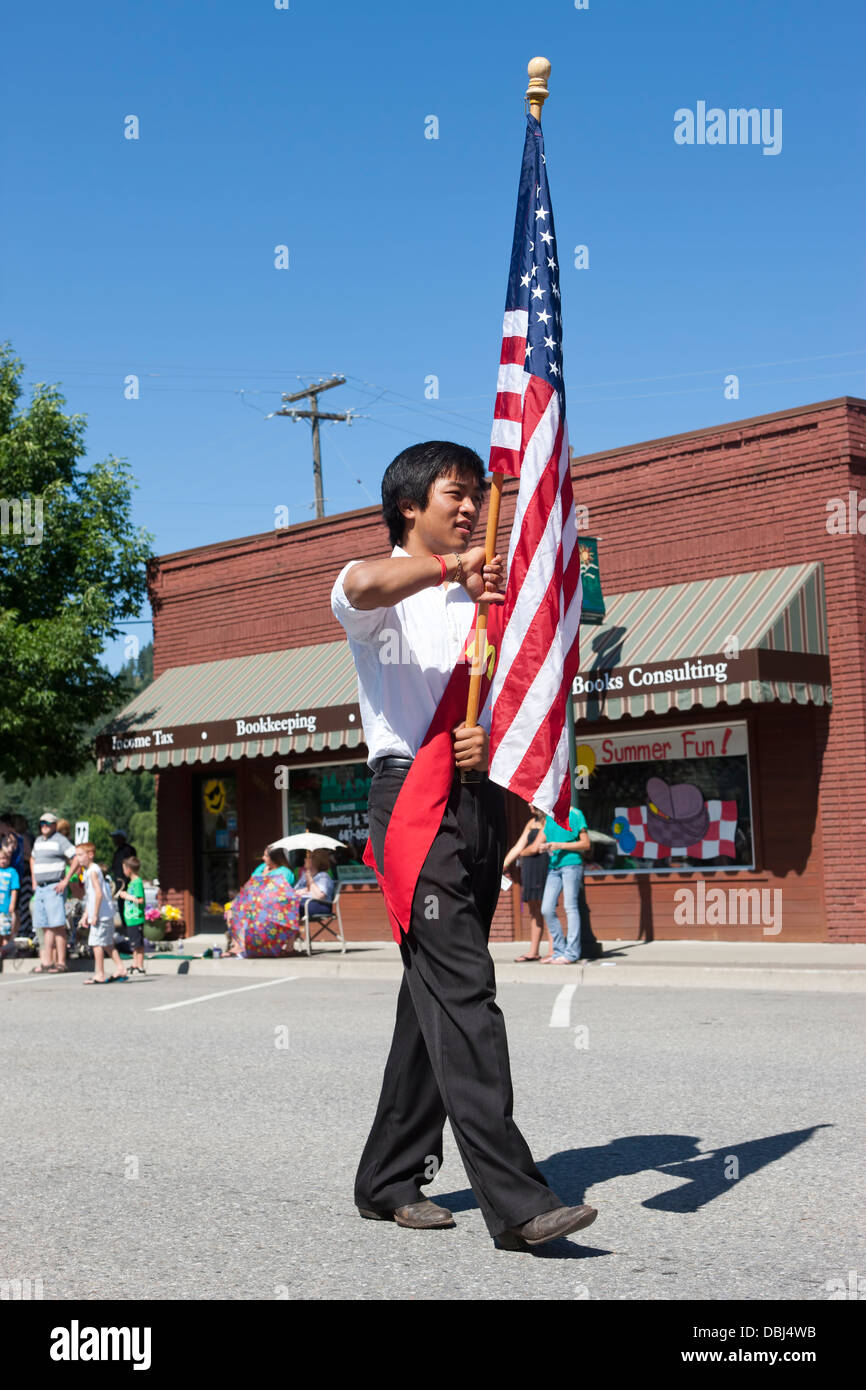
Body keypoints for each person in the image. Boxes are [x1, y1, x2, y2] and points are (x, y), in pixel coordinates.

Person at [331, 439, 598, 1249]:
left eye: (479, 495)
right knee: (467, 989)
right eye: (456, 494)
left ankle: (386, 1178)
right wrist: (454, 572)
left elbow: (507, 699)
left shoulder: (489, 601)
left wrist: (511, 786)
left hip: (478, 802)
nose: (473, 508)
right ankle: (516, 1204)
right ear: (410, 506)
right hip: (410, 798)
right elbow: (365, 584)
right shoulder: (377, 589)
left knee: (432, 998)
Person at [538, 805, 591, 964]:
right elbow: (545, 840)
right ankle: (559, 951)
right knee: (546, 909)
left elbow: (585, 844)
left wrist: (560, 845)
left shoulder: (575, 813)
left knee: (570, 907)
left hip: (571, 865)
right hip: (553, 868)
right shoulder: (549, 816)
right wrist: (544, 846)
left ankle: (571, 953)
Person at [29, 811, 77, 974]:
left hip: (54, 886)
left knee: (57, 925)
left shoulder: (60, 840)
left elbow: (76, 857)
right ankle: (47, 962)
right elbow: (32, 858)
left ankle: (61, 962)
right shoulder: (38, 841)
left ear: (54, 825)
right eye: (42, 823)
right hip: (41, 888)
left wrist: (66, 880)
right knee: (44, 926)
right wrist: (34, 879)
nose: (44, 826)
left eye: (48, 823)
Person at [503, 805, 551, 962]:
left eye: (532, 802)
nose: (529, 804)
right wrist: (503, 864)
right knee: (533, 909)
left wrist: (522, 854)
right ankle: (533, 951)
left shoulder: (549, 821)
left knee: (547, 909)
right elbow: (519, 845)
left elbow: (535, 848)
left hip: (542, 867)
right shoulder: (531, 822)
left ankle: (553, 950)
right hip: (529, 869)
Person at [79, 842, 127, 984]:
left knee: (96, 943)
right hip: (103, 913)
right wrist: (85, 914)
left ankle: (99, 973)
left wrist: (94, 915)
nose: (78, 858)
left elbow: (98, 894)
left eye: (81, 855)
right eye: (77, 855)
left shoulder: (93, 870)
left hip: (101, 914)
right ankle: (120, 968)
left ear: (90, 855)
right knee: (107, 944)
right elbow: (91, 896)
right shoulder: (89, 870)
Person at [117, 856, 146, 976]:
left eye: (124, 868)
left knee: (138, 944)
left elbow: (140, 900)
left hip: (136, 919)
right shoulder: (132, 883)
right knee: (134, 944)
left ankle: (140, 966)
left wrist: (125, 896)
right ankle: (135, 964)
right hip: (131, 918)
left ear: (129, 869)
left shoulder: (137, 882)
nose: (123, 871)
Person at [294, 849, 335, 919]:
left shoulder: (323, 876)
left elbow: (319, 896)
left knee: (288, 907)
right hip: (304, 903)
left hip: (319, 905)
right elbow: (294, 892)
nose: (305, 859)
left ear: (316, 861)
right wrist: (304, 890)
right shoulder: (304, 876)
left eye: (308, 857)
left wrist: (310, 880)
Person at [0, 844, 20, 952]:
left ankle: (5, 951)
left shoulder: (12, 872)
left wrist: (12, 903)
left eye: (5, 858)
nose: (3, 861)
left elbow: (14, 890)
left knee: (6, 931)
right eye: (1, 858)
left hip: (5, 907)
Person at [109, 829, 137, 904]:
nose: (114, 840)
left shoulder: (128, 850)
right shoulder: (118, 851)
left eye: (116, 838)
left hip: (125, 883)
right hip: (119, 883)